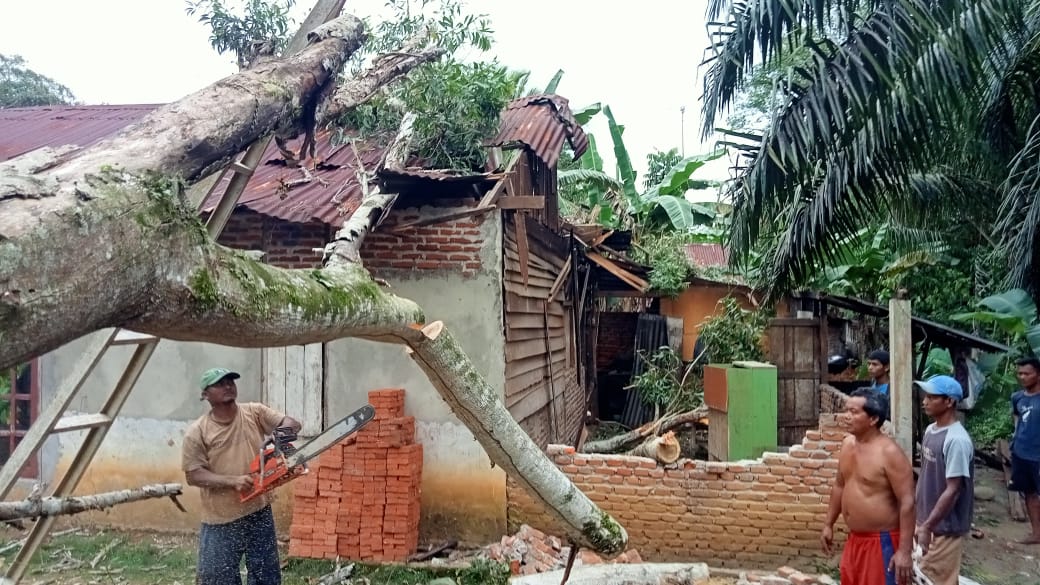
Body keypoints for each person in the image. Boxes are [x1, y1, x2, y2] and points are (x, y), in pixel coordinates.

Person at [182, 367, 302, 585]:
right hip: (221, 519)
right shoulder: (197, 432)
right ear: (205, 394)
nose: (228, 386)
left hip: (259, 511)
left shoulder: (254, 412)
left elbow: (293, 424)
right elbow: (194, 475)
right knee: (217, 579)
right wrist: (233, 481)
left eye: (230, 381)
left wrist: (278, 437)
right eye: (220, 383)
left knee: (266, 577)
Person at [821, 388, 915, 585]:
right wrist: (828, 523)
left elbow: (907, 502)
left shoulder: (890, 453)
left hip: (882, 542)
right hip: (855, 540)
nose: (846, 416)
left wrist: (904, 551)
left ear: (873, 419)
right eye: (846, 410)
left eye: (854, 412)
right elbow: (839, 485)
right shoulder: (848, 445)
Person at [914, 375, 974, 585]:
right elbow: (926, 474)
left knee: (934, 578)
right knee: (929, 575)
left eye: (931, 397)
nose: (925, 401)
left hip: (944, 526)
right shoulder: (931, 430)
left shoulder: (957, 440)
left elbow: (953, 490)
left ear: (949, 401)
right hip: (926, 520)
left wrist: (928, 526)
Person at [1010, 356, 1040, 544]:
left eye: (1027, 373)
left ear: (1038, 374)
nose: (1022, 377)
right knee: (1029, 493)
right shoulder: (1017, 397)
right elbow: (1017, 419)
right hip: (1021, 453)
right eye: (1020, 373)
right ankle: (1036, 533)